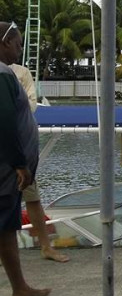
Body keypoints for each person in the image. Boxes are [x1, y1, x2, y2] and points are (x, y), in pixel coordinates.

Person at [0, 20, 51, 296]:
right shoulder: (3, 74)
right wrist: (20, 163)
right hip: (7, 169)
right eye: (18, 43)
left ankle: (19, 286)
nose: (20, 49)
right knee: (7, 226)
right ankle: (19, 289)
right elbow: (6, 122)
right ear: (5, 42)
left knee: (6, 226)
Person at [11, 63, 69, 263]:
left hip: (21, 144)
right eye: (16, 44)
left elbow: (31, 104)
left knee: (32, 196)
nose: (19, 49)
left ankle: (46, 246)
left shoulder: (21, 72)